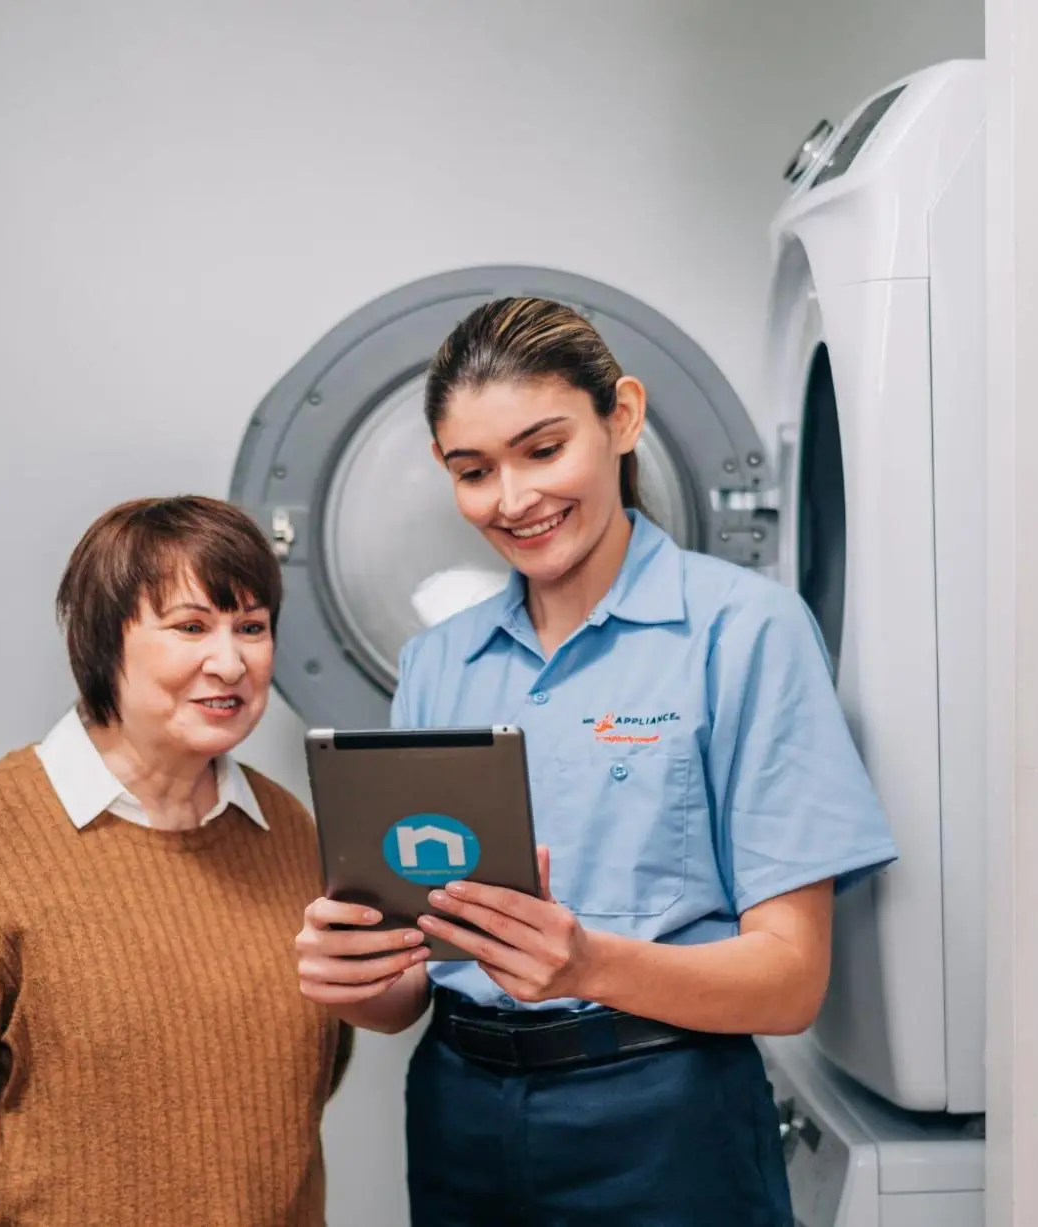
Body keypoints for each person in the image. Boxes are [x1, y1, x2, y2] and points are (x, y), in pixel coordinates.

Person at [295, 298, 899, 1225]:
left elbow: (788, 982)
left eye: (543, 450)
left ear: (621, 416)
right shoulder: (435, 665)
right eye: (474, 470)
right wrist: (366, 982)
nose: (512, 499)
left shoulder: (744, 632)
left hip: (669, 1113)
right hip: (459, 1111)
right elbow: (414, 984)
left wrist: (585, 964)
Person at [0, 495, 350, 1227]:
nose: (231, 660)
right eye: (190, 626)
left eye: (251, 626)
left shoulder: (288, 829)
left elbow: (294, 1094)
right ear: (102, 641)